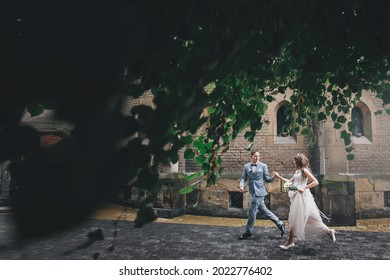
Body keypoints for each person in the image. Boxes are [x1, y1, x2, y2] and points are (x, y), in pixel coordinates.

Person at [273, 153, 336, 250]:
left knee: (303, 218)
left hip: (302, 197)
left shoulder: (304, 170)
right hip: (296, 196)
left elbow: (315, 181)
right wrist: (279, 177)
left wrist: (305, 187)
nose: (293, 162)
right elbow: (290, 182)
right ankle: (290, 242)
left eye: (294, 160)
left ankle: (290, 242)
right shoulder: (297, 171)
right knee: (299, 218)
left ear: (298, 161)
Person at [238, 150, 285, 240]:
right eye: (255, 156)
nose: (257, 158)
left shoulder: (263, 166)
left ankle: (248, 231)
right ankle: (280, 223)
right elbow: (243, 178)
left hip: (260, 192)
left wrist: (273, 177)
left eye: (258, 156)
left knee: (252, 210)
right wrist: (241, 186)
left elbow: (267, 179)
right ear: (251, 156)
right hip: (253, 191)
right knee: (263, 210)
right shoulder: (246, 166)